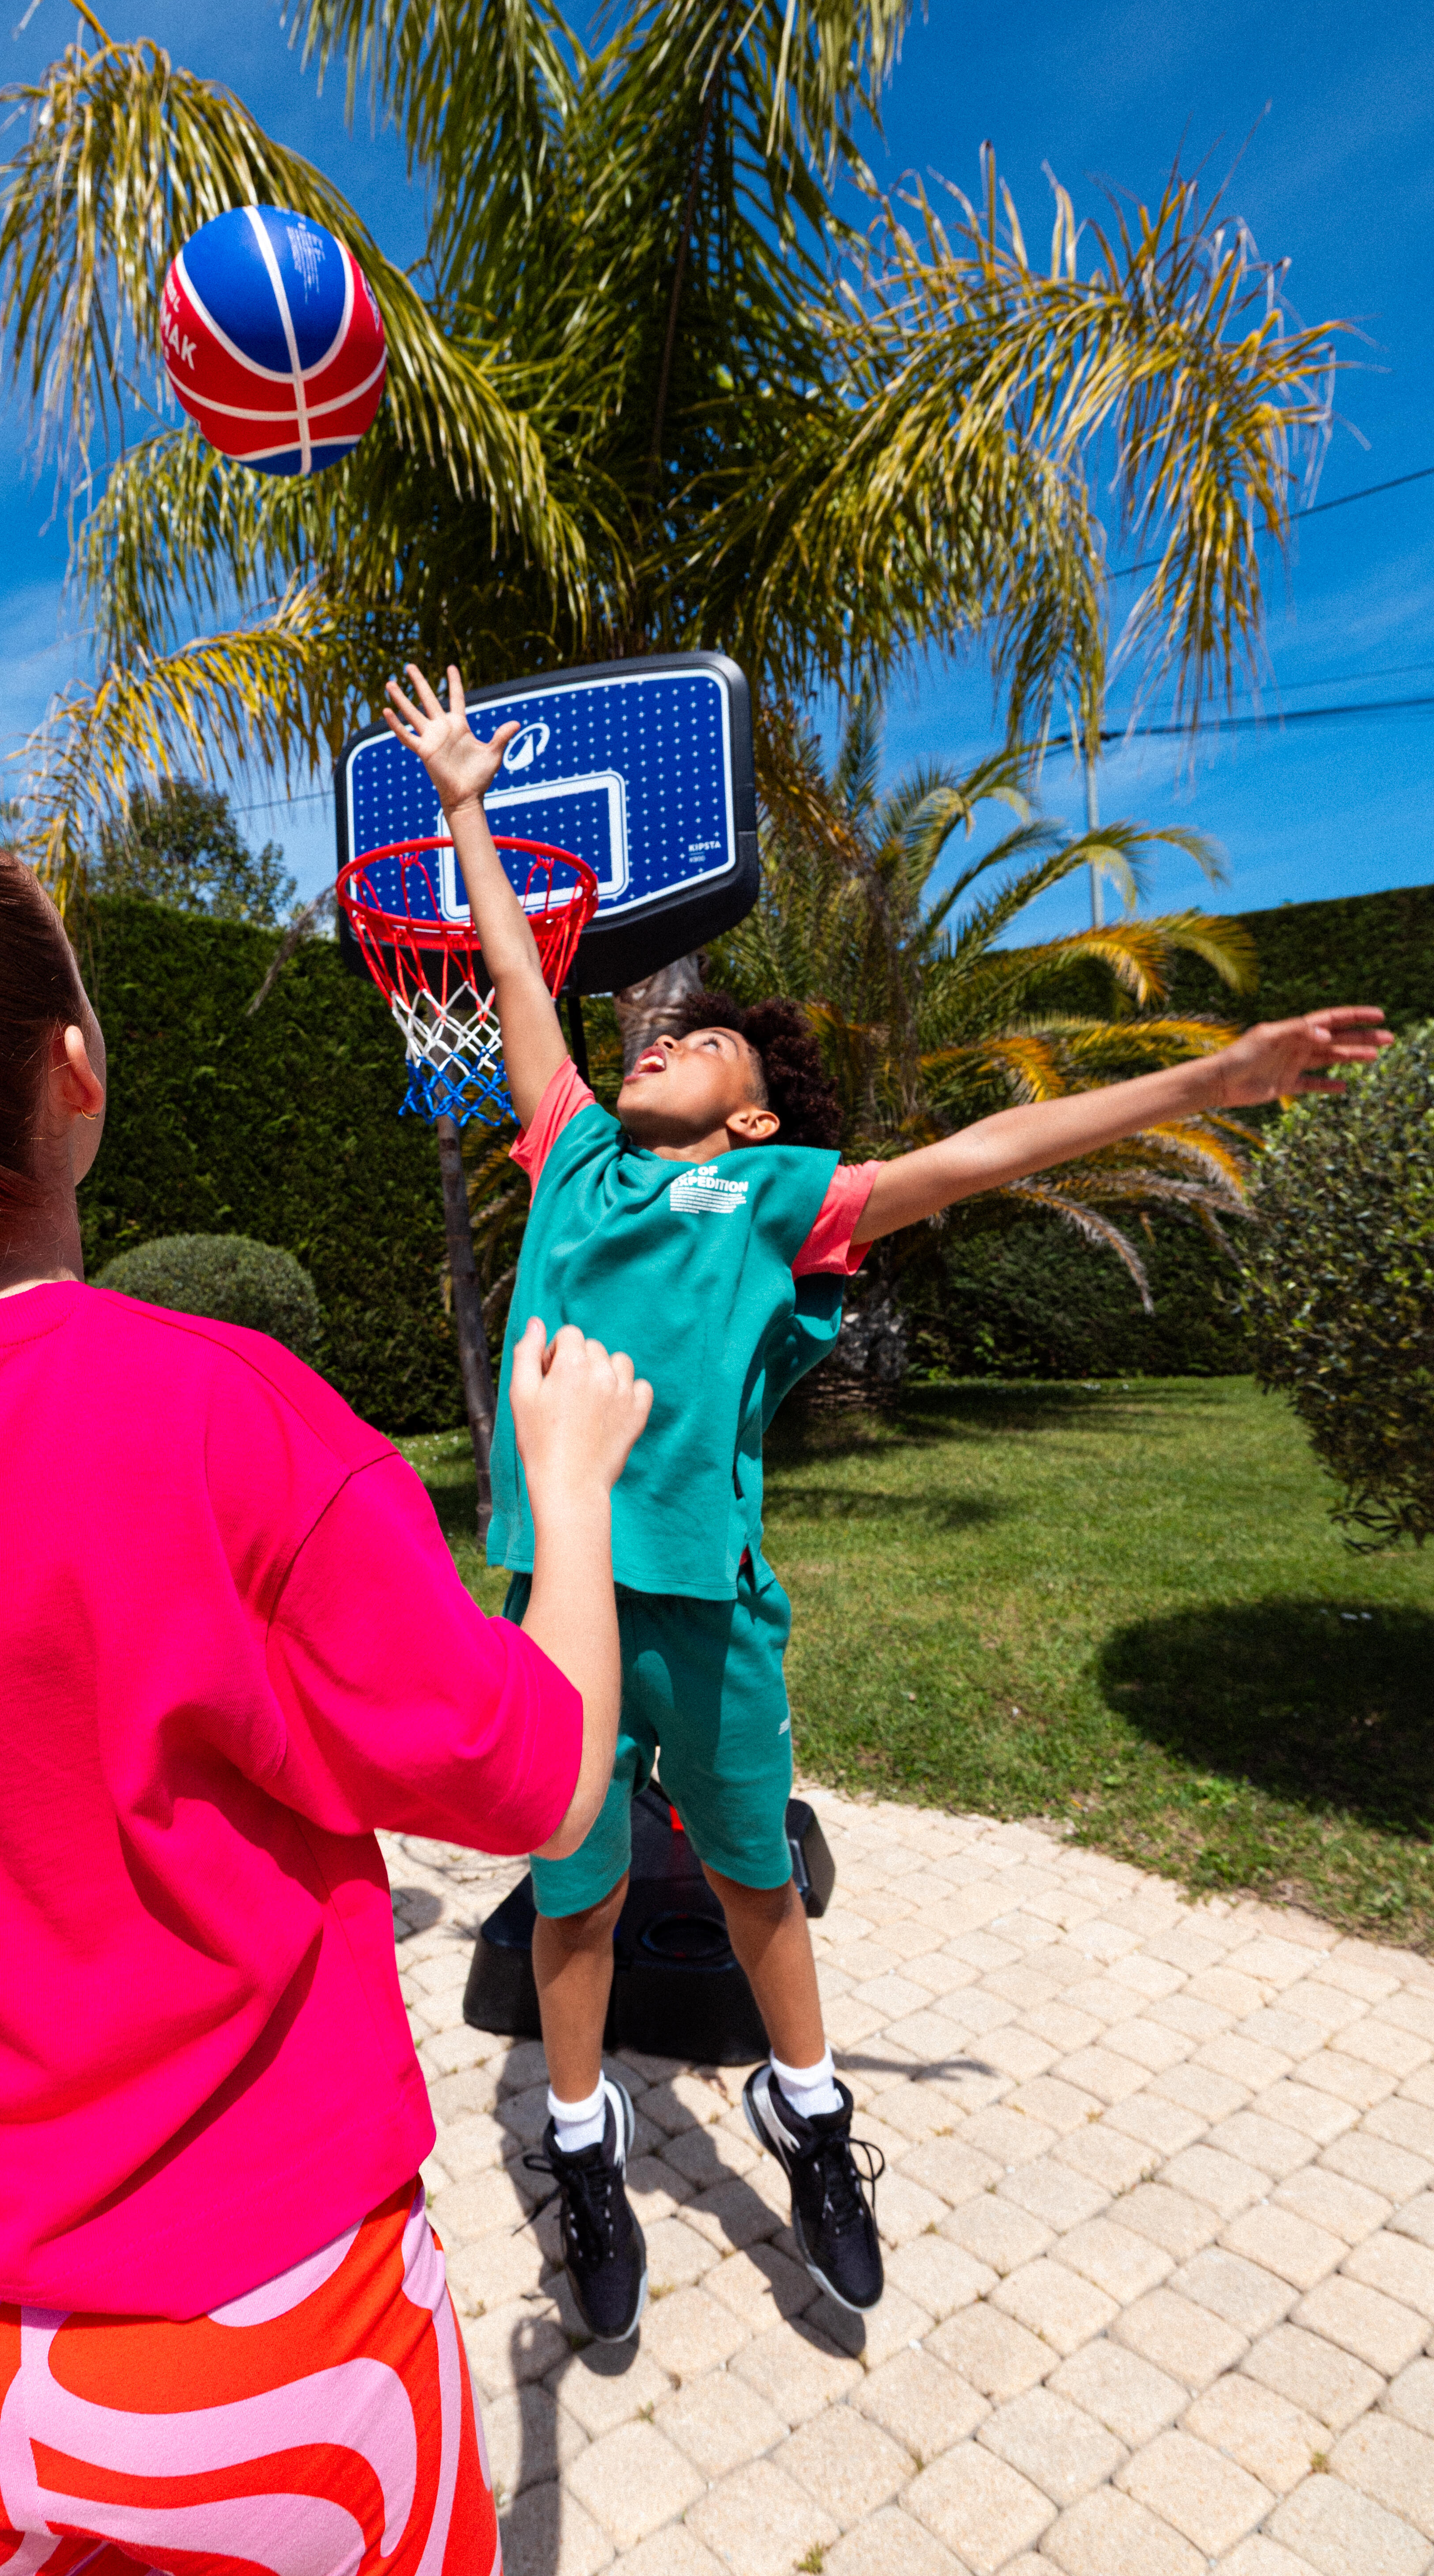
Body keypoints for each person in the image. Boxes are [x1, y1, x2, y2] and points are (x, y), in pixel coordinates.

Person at [0, 815, 653, 2576]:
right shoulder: (226, 1420)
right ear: (72, 1080)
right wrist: (572, 1488)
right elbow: (532, 1777)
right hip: (280, 2342)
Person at [381, 661, 1394, 2345]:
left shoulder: (782, 1196)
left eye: (697, 1040)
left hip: (707, 1600)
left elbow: (990, 1150)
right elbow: (510, 971)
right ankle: (579, 2144)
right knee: (577, 1893)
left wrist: (1202, 1084)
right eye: (656, 1029)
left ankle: (811, 2116)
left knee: (760, 1880)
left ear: (757, 1112)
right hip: (561, 1597)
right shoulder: (569, 1149)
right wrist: (469, 806)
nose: (660, 1040)